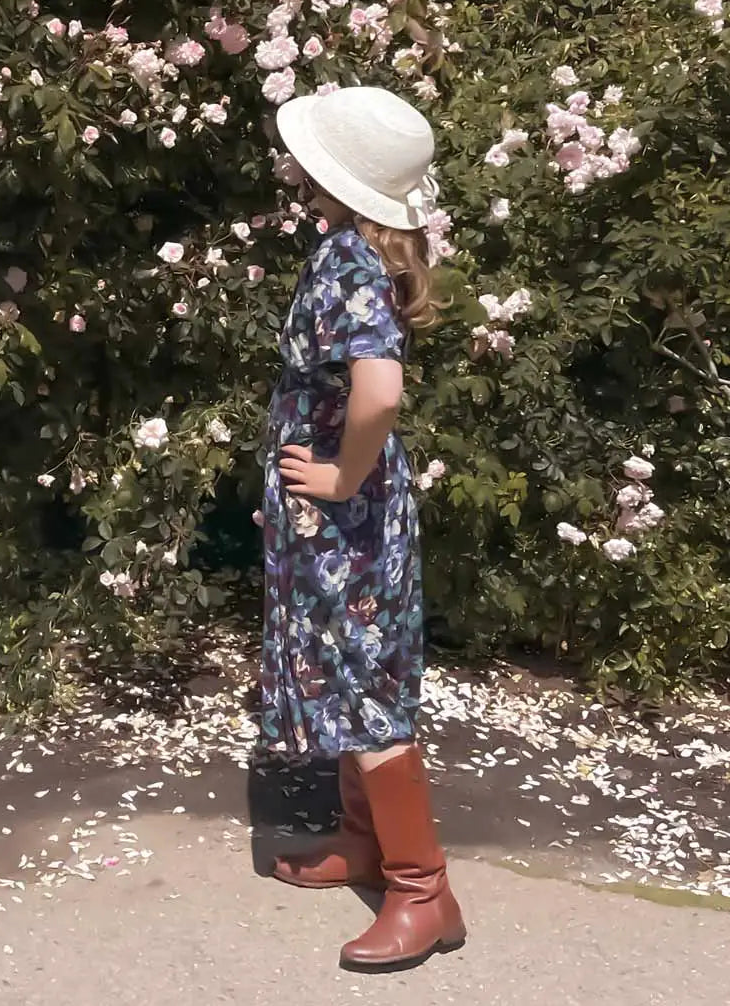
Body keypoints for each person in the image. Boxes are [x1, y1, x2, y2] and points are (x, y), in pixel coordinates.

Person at [259, 84, 466, 973]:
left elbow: (379, 391)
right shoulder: (364, 253)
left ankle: (424, 894)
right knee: (350, 677)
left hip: (345, 520)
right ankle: (365, 844)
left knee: (365, 685)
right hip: (338, 518)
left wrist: (340, 474)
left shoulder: (348, 260)